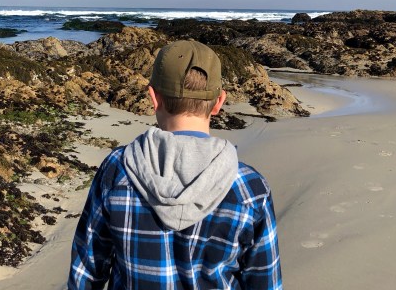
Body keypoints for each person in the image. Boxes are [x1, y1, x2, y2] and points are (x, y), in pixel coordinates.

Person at [69, 40, 282, 289]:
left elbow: (87, 269)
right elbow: (264, 281)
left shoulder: (117, 169)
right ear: (219, 102)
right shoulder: (249, 188)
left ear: (153, 98)